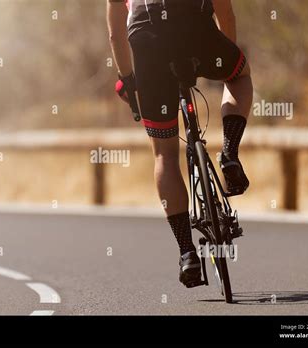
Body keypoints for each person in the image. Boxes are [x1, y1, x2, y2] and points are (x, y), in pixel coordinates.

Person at [107, 0, 253, 286]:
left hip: (146, 37)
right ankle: (229, 153)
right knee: (240, 76)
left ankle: (187, 252)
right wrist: (224, 62)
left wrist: (127, 79)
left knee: (164, 155)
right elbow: (225, 11)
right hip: (194, 25)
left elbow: (115, 33)